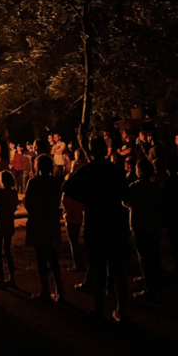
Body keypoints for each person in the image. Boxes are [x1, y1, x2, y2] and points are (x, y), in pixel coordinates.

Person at [63, 137, 131, 322]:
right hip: (115, 222)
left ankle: (99, 310)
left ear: (92, 152)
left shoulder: (88, 171)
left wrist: (86, 198)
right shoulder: (115, 171)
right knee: (118, 268)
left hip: (96, 222)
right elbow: (126, 194)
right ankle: (121, 310)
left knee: (99, 266)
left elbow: (67, 186)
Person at [24, 154, 65, 301]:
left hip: (38, 222)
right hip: (51, 221)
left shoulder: (33, 182)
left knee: (41, 257)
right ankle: (59, 291)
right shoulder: (55, 183)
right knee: (53, 257)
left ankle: (46, 291)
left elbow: (28, 203)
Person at [126, 159, 163, 301]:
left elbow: (125, 202)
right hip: (153, 225)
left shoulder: (134, 187)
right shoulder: (155, 187)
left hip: (140, 226)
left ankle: (149, 289)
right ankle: (157, 282)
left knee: (144, 258)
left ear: (140, 171)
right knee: (154, 255)